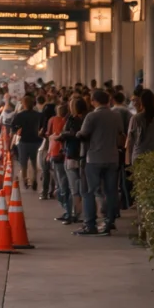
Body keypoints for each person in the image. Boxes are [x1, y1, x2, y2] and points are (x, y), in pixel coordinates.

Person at [76, 89, 125, 236]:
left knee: (89, 192)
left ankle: (90, 224)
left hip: (94, 158)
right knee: (111, 192)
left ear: (94, 101)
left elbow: (83, 134)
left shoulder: (92, 116)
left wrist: (76, 134)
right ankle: (109, 222)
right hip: (112, 157)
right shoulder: (116, 116)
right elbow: (120, 133)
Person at [58, 97, 89, 226]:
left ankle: (75, 214)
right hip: (84, 156)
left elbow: (66, 134)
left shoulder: (71, 120)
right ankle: (84, 213)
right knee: (84, 188)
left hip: (71, 155)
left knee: (73, 188)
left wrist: (63, 136)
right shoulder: (88, 119)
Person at [126, 89, 154, 165]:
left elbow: (130, 140)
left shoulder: (136, 119)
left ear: (141, 101)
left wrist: (128, 160)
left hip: (139, 156)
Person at [48, 101, 72, 222]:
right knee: (68, 184)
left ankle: (67, 210)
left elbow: (48, 134)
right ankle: (69, 210)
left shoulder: (53, 120)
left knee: (61, 183)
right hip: (66, 155)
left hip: (56, 154)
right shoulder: (68, 121)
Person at [13, 94, 44, 191]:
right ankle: (34, 180)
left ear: (24, 104)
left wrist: (18, 130)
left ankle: (25, 181)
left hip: (24, 141)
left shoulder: (20, 115)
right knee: (34, 163)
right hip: (36, 141)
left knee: (24, 163)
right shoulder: (38, 115)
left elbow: (13, 126)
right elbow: (43, 126)